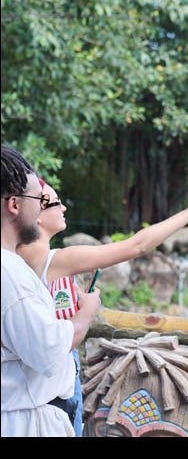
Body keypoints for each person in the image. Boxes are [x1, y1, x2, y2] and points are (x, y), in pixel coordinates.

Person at [16, 177, 188, 436]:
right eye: (56, 203)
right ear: (36, 214)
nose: (63, 208)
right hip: (50, 395)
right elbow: (137, 245)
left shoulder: (17, 258)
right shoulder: (53, 260)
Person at [1, 145, 101, 437]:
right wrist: (86, 314)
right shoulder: (10, 273)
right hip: (25, 423)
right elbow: (45, 350)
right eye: (38, 199)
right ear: (15, 205)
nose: (40, 208)